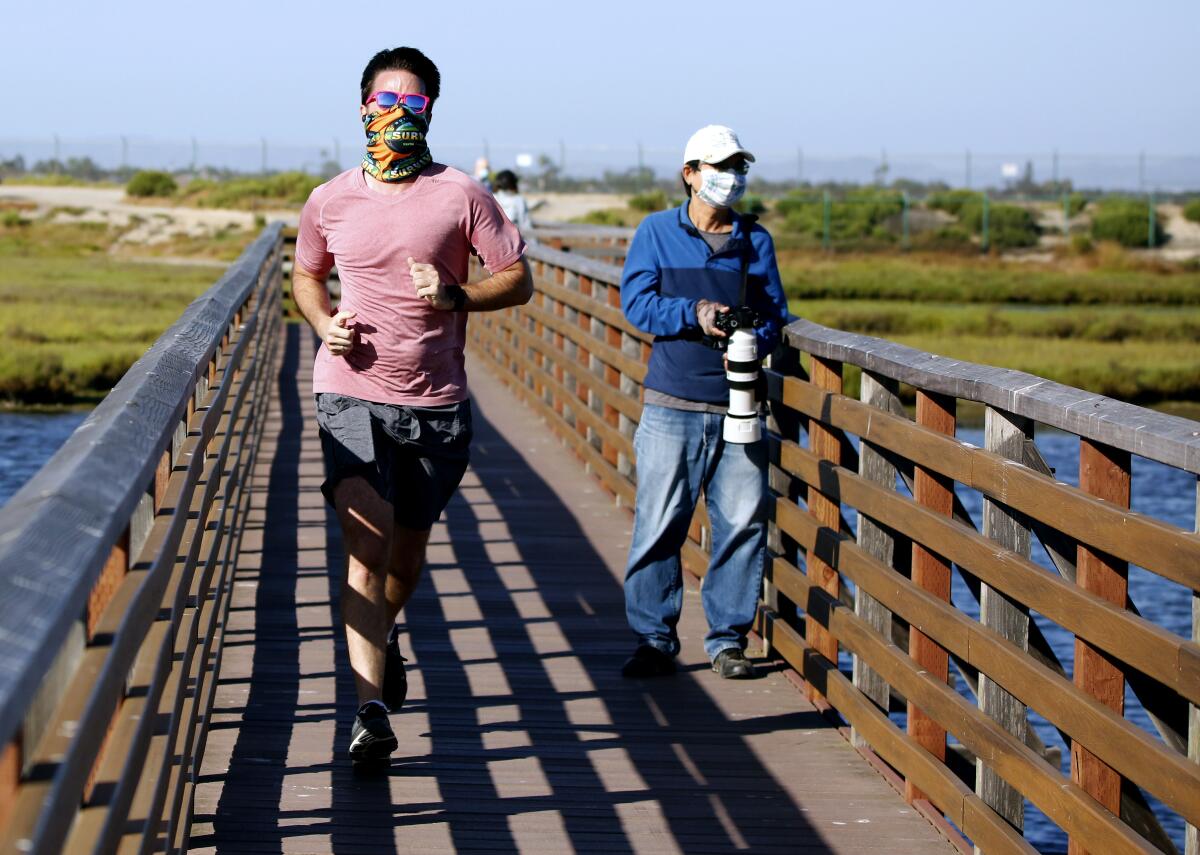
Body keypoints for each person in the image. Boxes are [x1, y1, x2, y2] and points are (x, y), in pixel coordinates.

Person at [291, 46, 532, 765]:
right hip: (348, 389)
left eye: (414, 105)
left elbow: (517, 279)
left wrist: (457, 294)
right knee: (364, 550)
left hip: (435, 402)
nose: (397, 115)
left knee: (404, 556)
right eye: (385, 103)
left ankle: (383, 636)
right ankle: (368, 710)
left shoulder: (462, 195)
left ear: (432, 111)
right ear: (362, 107)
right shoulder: (329, 198)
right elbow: (307, 275)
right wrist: (319, 320)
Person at [619, 125, 788, 680]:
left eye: (739, 166)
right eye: (719, 166)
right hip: (673, 400)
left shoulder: (754, 241)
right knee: (658, 524)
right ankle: (653, 637)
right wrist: (694, 313)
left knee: (741, 525)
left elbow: (773, 315)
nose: (731, 177)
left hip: (740, 405)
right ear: (690, 174)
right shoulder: (655, 232)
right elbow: (637, 304)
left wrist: (752, 334)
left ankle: (728, 640)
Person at [492, 169, 533, 233]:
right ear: (513, 184)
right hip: (514, 239)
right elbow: (525, 225)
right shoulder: (518, 200)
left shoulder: (491, 197)